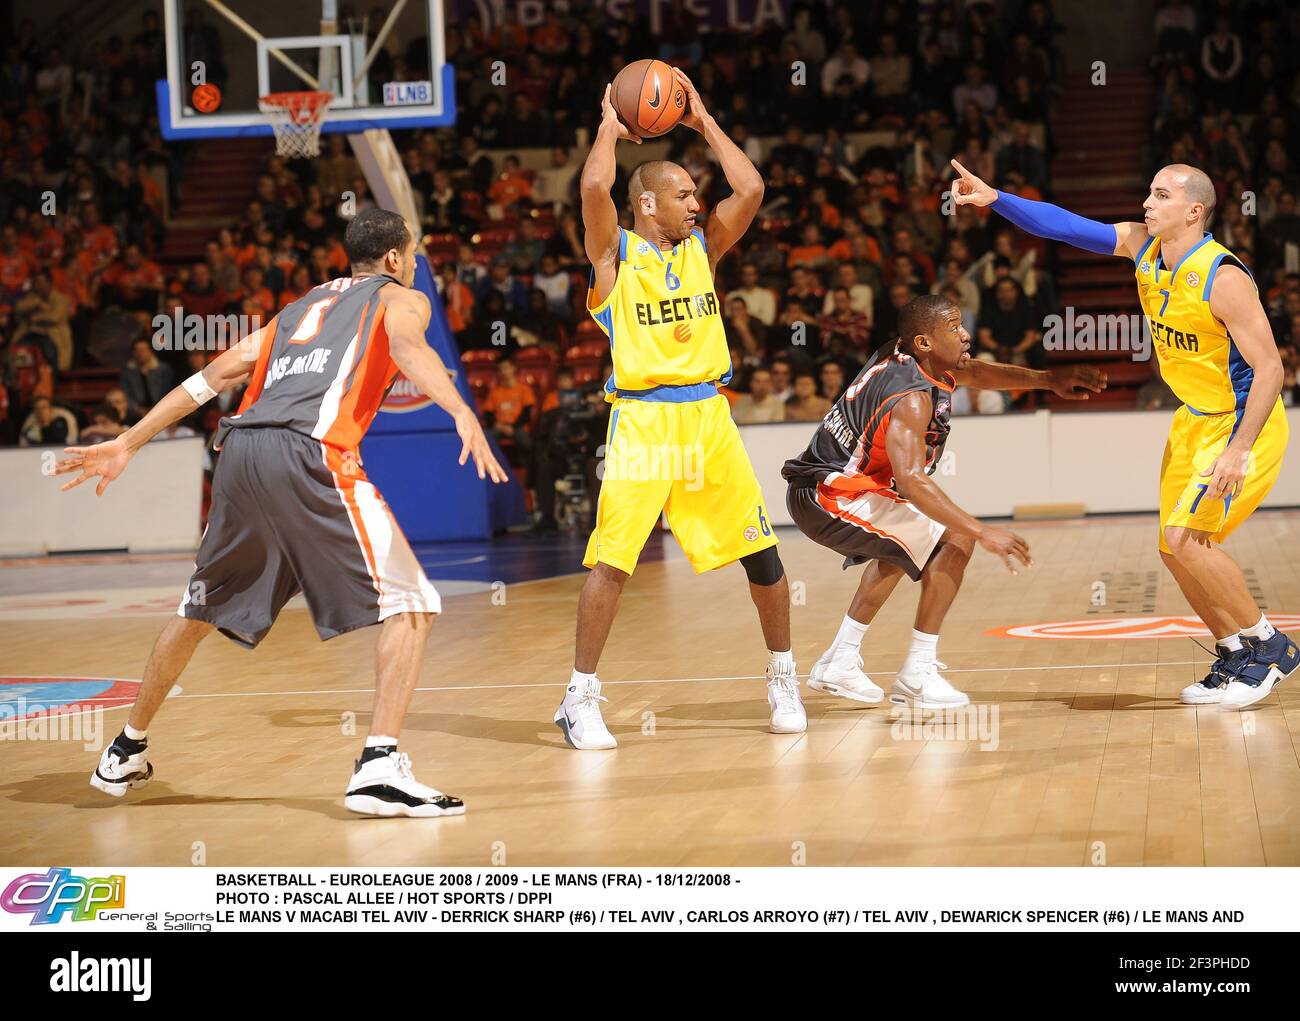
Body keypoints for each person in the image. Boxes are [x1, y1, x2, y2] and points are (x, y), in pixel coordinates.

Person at [55, 208, 507, 816]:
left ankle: (125, 749)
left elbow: (211, 377)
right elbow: (405, 344)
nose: (418, 263)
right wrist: (459, 407)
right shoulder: (402, 298)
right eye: (416, 253)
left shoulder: (296, 310)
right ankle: (378, 767)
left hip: (239, 452)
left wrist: (127, 442)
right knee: (413, 603)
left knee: (197, 608)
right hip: (308, 450)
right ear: (396, 259)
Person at [951, 158, 1297, 708]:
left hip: (1239, 424)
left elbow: (1272, 371)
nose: (1146, 204)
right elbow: (1063, 225)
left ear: (1193, 211)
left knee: (1187, 539)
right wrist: (996, 198)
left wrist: (1237, 450)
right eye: (1148, 193)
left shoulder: (1223, 277)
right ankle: (1234, 654)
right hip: (1193, 418)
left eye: (1160, 196)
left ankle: (1271, 646)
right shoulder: (1142, 245)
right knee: (1171, 548)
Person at [556, 71, 801, 750]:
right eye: (686, 194)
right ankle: (580, 696)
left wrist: (703, 121)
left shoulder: (704, 250)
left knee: (763, 555)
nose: (699, 203)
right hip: (643, 420)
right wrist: (610, 123)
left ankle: (782, 676)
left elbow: (750, 189)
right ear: (646, 204)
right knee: (612, 563)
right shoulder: (614, 256)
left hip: (708, 417)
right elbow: (591, 189)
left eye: (698, 194)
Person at [783, 295, 1104, 707]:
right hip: (826, 495)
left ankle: (841, 661)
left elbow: (975, 372)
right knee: (954, 539)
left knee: (908, 545)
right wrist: (983, 530)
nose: (966, 333)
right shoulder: (911, 398)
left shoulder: (908, 356)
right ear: (923, 342)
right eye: (953, 328)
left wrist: (1046, 380)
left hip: (842, 486)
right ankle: (916, 673)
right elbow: (913, 480)